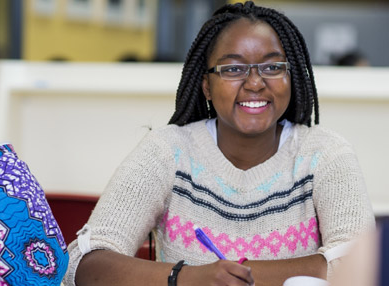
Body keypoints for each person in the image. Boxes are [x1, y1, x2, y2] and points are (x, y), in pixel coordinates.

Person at [63, 1, 375, 285]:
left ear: (290, 78)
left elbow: (357, 269)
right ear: (207, 87)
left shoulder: (326, 155)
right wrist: (188, 278)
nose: (255, 83)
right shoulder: (167, 151)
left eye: (272, 67)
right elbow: (82, 263)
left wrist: (231, 273)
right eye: (233, 69)